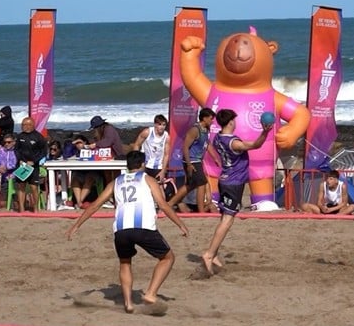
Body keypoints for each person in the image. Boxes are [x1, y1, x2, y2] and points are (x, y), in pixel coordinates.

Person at [65, 150, 189, 314]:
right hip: (143, 227)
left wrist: (76, 225)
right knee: (167, 258)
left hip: (121, 230)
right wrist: (180, 224)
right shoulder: (148, 179)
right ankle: (151, 293)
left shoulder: (116, 182)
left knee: (125, 262)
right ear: (143, 164)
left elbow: (95, 206)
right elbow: (164, 205)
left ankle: (128, 304)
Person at [201, 109, 271, 275]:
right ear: (231, 122)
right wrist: (265, 131)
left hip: (224, 179)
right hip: (233, 184)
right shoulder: (233, 143)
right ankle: (209, 254)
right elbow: (255, 145)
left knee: (224, 217)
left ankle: (214, 254)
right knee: (227, 220)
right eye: (235, 120)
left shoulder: (217, 137)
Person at [168, 108, 217, 213]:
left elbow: (207, 144)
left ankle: (170, 203)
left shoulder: (206, 129)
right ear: (204, 118)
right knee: (202, 183)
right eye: (211, 119)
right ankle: (201, 211)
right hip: (192, 161)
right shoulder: (195, 130)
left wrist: (215, 158)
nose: (212, 121)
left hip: (197, 160)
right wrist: (189, 164)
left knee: (190, 186)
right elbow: (185, 147)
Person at [14, 117, 48, 213]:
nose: (25, 127)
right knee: (21, 186)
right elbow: (16, 150)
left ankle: (35, 208)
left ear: (32, 126)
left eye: (27, 125)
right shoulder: (20, 136)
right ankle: (21, 208)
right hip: (22, 165)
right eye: (23, 125)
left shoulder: (39, 137)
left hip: (33, 165)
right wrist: (20, 160)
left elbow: (43, 152)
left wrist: (34, 161)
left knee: (33, 187)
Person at [132, 114, 171, 180]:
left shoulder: (166, 137)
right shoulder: (147, 132)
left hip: (158, 167)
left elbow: (166, 155)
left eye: (164, 125)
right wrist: (137, 162)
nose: (162, 127)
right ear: (155, 124)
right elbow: (137, 145)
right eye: (159, 124)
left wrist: (163, 171)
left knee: (158, 187)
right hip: (145, 165)